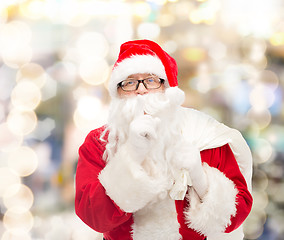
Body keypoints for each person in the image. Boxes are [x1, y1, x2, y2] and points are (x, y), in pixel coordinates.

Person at [75, 39, 253, 240]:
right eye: (130, 82)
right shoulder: (100, 143)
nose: (141, 90)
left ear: (167, 88)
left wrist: (200, 177)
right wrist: (131, 157)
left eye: (151, 80)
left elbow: (235, 216)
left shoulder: (203, 134)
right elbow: (94, 217)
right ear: (117, 92)